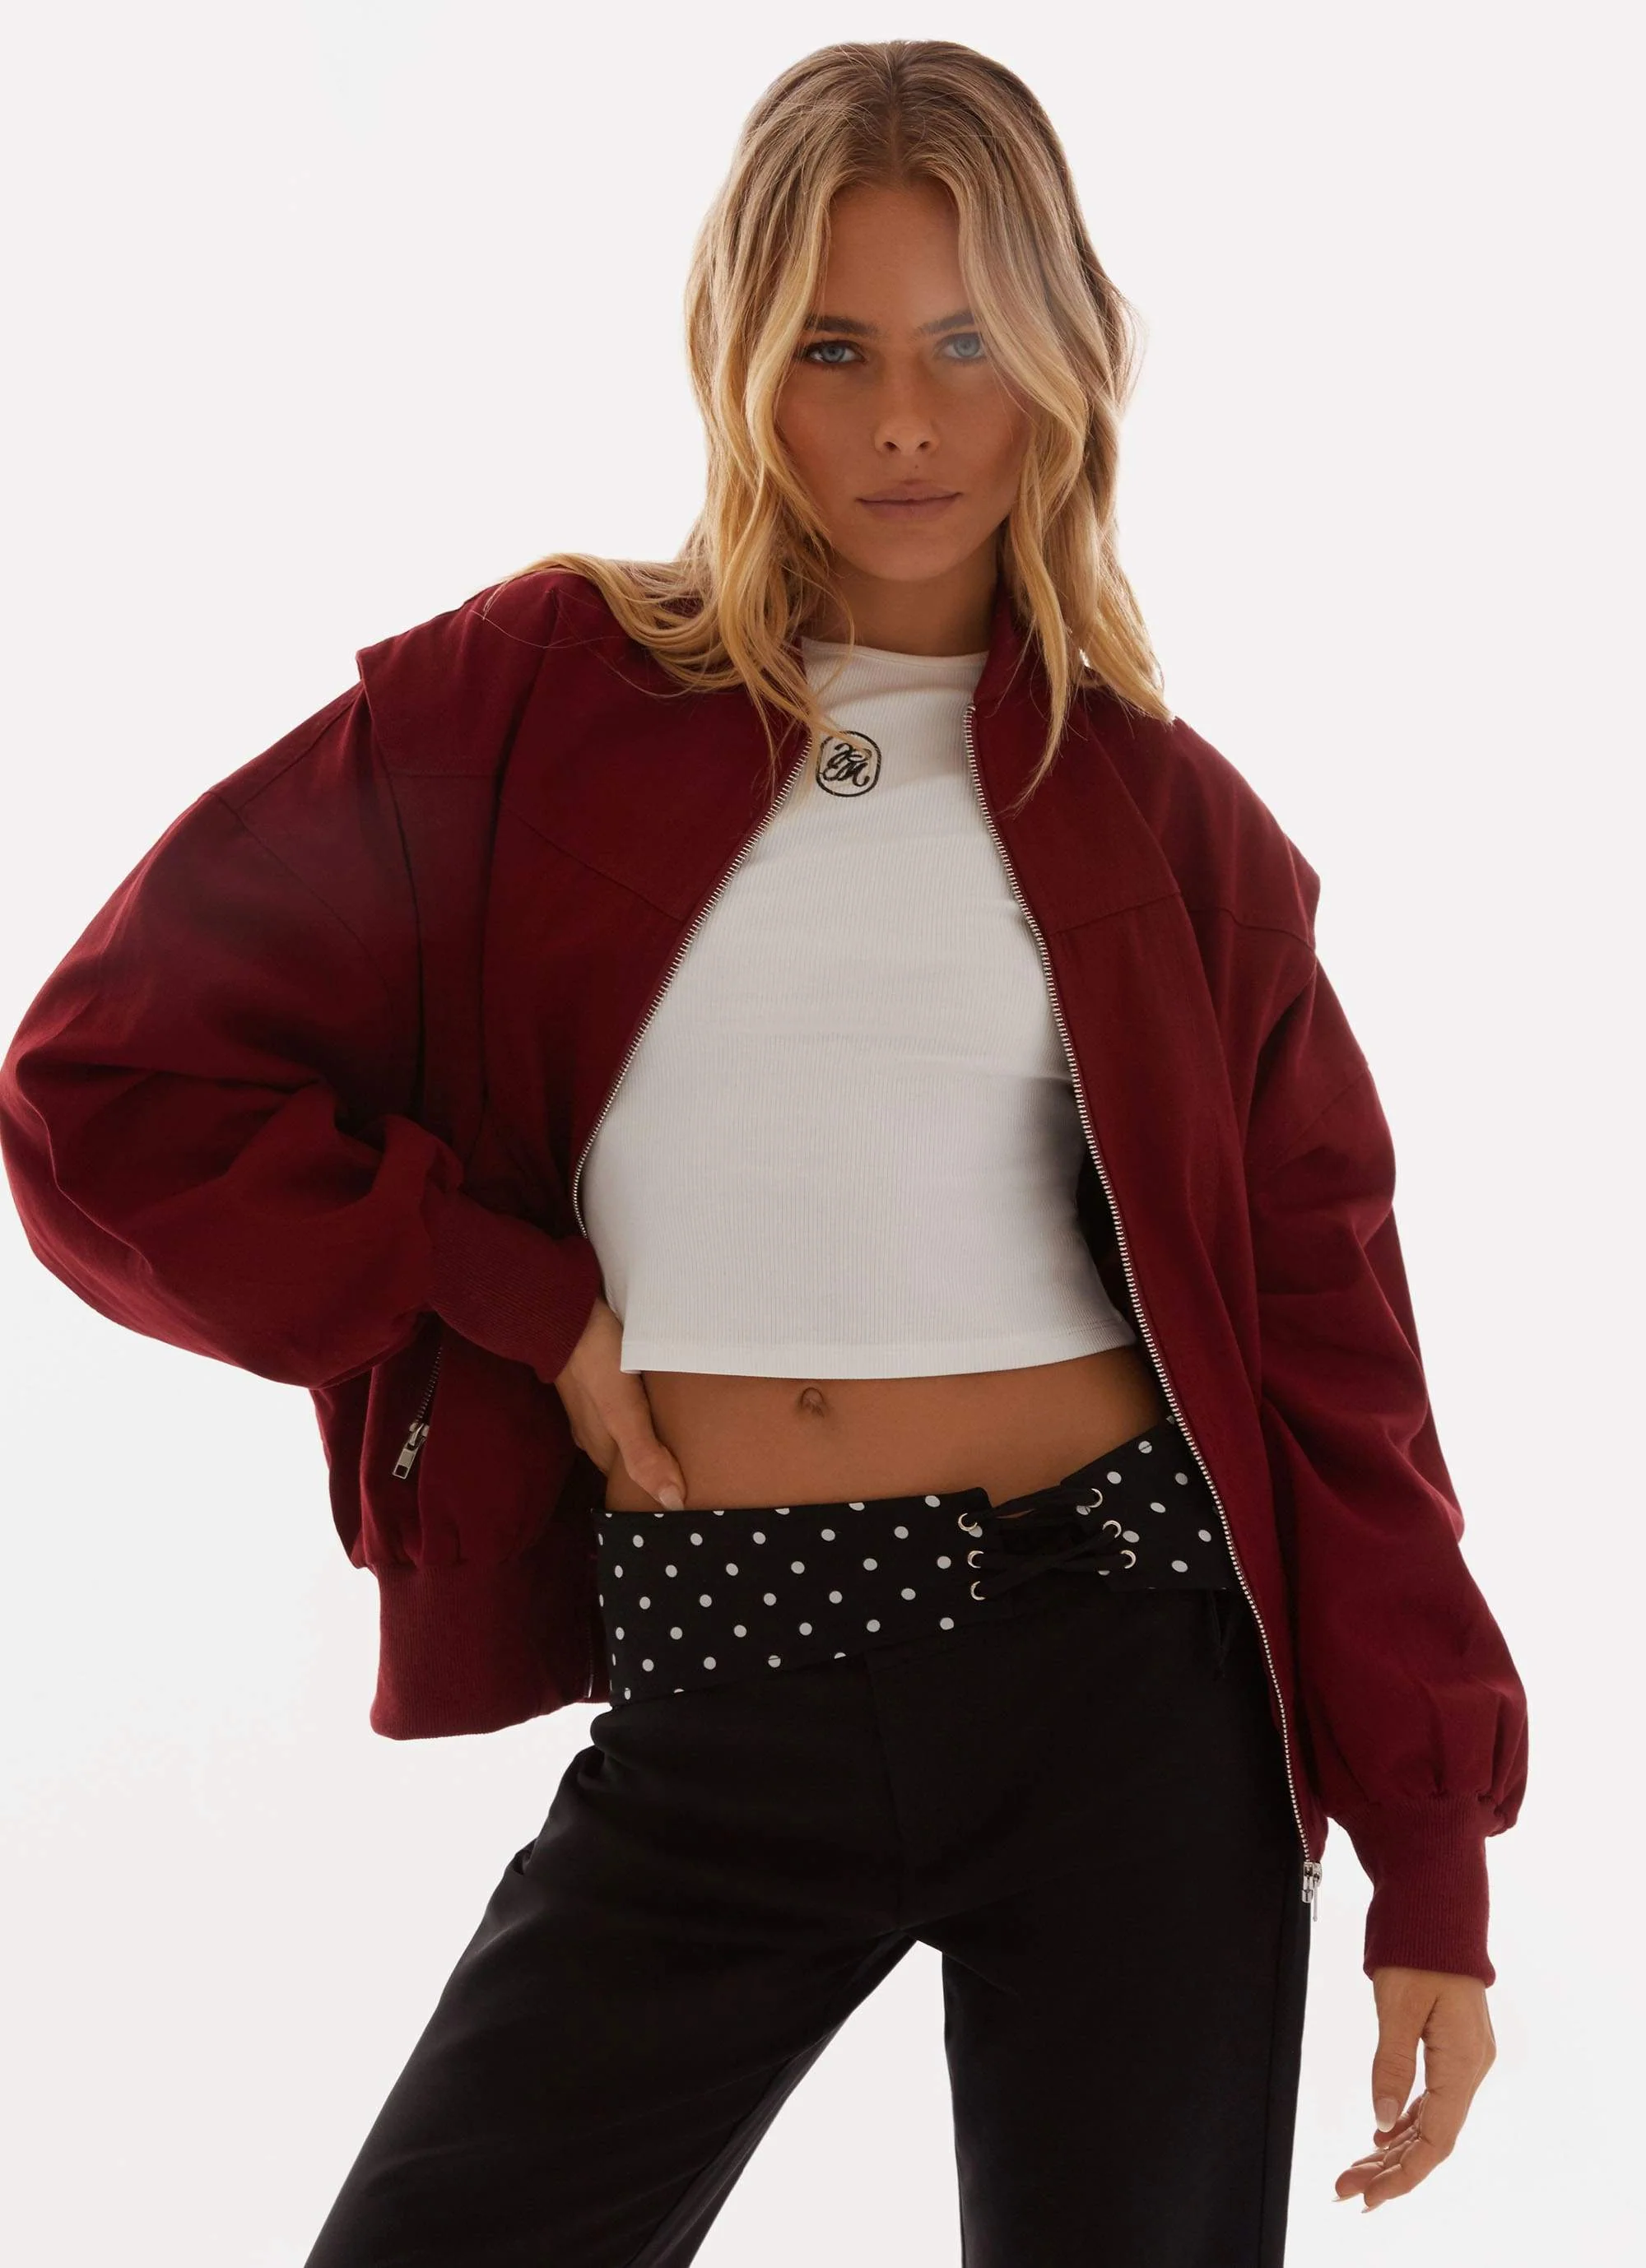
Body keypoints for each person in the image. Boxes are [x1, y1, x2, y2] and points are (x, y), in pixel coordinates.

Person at [0, 38, 1527, 2268]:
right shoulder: (529, 704)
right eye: (835, 348)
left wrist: (1435, 1866)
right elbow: (101, 1088)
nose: (906, 419)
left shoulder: (1174, 824)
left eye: (965, 344)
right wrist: (512, 1293)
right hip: (725, 1668)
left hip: (1124, 1672)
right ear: (740, 361)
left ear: (1064, 364)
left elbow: (1337, 1359)